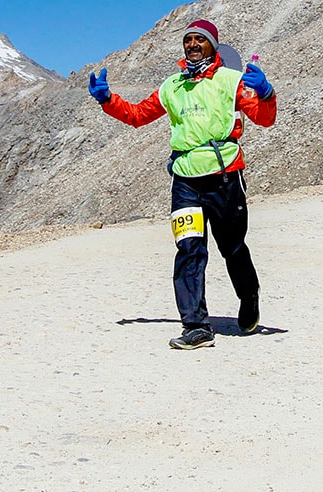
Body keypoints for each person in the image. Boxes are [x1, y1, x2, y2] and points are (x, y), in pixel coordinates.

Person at [88, 19, 277, 350]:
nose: (192, 44)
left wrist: (266, 93)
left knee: (232, 247)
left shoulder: (232, 80)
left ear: (213, 46)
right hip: (185, 180)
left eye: (199, 40)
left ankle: (249, 297)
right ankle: (195, 325)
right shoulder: (171, 87)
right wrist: (108, 101)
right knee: (189, 249)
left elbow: (264, 118)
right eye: (187, 40)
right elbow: (136, 115)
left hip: (224, 177)